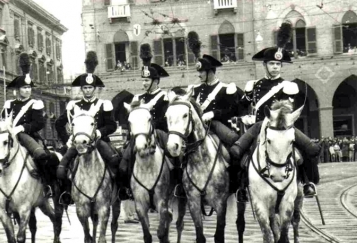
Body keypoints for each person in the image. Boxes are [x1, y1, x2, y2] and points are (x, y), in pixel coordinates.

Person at [230, 22, 320, 201]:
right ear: (265, 65)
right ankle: (240, 187)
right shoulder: (254, 86)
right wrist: (243, 116)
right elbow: (241, 106)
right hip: (257, 126)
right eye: (271, 63)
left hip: (281, 127)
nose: (275, 67)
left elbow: (289, 110)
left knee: (309, 148)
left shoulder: (288, 86)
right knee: (236, 152)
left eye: (278, 64)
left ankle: (308, 182)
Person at [118, 43, 183, 199]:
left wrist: (151, 126)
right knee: (124, 158)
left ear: (156, 81)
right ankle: (126, 188)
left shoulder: (164, 96)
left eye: (147, 81)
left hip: (159, 131)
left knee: (175, 156)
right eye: (143, 80)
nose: (144, 83)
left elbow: (165, 118)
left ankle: (179, 186)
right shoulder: (137, 98)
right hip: (141, 133)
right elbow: (131, 118)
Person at [55, 51, 120, 205]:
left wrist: (99, 132)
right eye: (85, 88)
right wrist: (68, 139)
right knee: (62, 165)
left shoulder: (103, 104)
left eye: (90, 88)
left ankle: (119, 190)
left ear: (94, 88)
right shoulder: (74, 105)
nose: (88, 90)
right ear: (82, 89)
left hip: (99, 141)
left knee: (116, 163)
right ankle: (66, 192)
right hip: (78, 143)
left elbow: (112, 125)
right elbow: (58, 123)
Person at [186, 31, 242, 196]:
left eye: (202, 72)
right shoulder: (195, 89)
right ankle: (182, 185)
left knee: (235, 148)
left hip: (218, 125)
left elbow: (233, 111)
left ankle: (236, 184)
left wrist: (214, 114)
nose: (199, 74)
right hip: (198, 128)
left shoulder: (226, 89)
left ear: (210, 71)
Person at [3, 53, 58, 197]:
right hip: (10, 136)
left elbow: (39, 123)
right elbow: (3, 119)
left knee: (41, 156)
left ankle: (46, 185)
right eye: (24, 87)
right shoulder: (9, 104)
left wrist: (22, 128)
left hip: (29, 136)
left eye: (29, 87)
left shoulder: (35, 104)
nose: (27, 90)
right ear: (18, 89)